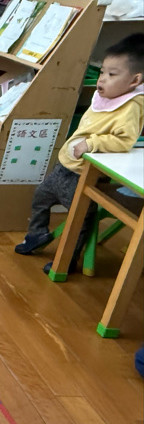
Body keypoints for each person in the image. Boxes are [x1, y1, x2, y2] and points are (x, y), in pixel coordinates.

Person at [15, 33, 144, 264]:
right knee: (40, 197)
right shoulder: (107, 96)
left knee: (79, 218)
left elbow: (124, 141)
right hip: (64, 167)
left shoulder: (131, 106)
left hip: (83, 175)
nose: (102, 79)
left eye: (112, 75)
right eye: (102, 72)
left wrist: (92, 143)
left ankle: (67, 260)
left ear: (135, 81)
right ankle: (37, 234)